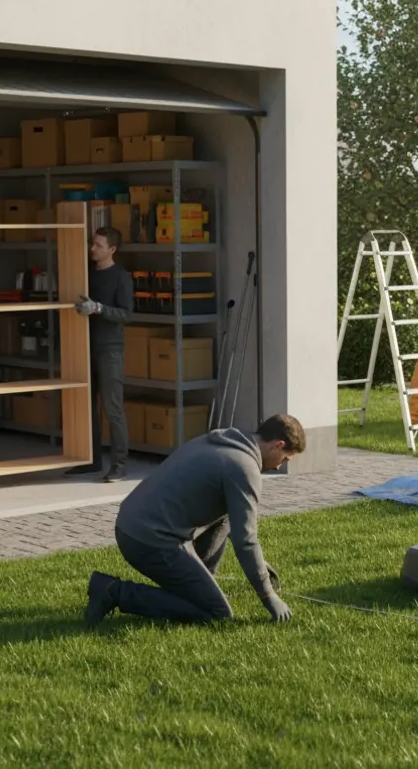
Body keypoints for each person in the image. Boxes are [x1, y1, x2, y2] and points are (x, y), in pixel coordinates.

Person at [85, 414, 307, 626]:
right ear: (278, 445)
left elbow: (236, 524)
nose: (279, 466)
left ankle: (199, 586)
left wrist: (258, 564)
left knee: (225, 519)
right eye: (285, 458)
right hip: (147, 539)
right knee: (217, 613)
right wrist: (268, 595)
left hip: (132, 524)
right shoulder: (244, 467)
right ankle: (113, 591)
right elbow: (246, 540)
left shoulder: (224, 441)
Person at [68, 227, 135, 482]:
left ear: (112, 249)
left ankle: (119, 464)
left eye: (98, 245)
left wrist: (98, 308)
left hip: (110, 350)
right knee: (86, 407)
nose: (92, 248)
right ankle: (91, 459)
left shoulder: (121, 277)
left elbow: (127, 314)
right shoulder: (85, 272)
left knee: (112, 407)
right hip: (84, 347)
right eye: (92, 244)